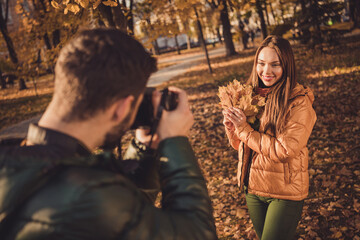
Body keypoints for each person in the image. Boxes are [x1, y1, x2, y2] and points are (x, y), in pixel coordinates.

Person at [0, 28, 217, 239]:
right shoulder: (86, 195)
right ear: (121, 109)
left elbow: (120, 216)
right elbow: (198, 233)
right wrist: (174, 141)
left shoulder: (18, 160)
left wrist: (144, 149)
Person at [222, 35, 316, 239]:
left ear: (287, 65)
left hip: (285, 192)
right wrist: (233, 127)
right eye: (261, 63)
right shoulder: (250, 96)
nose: (266, 71)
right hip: (253, 188)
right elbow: (241, 145)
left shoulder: (298, 103)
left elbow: (285, 151)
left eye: (275, 64)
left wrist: (245, 129)